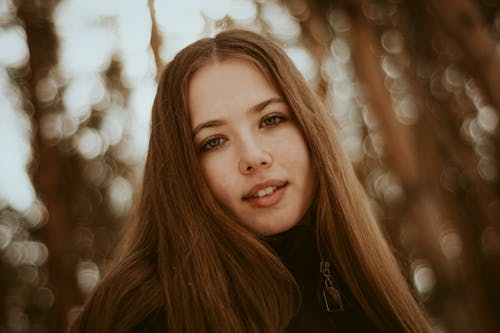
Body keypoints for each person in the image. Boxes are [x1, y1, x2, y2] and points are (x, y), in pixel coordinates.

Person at [69, 29, 431, 332]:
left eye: (271, 120)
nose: (253, 157)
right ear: (181, 171)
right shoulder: (142, 313)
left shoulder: (361, 277)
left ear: (310, 129)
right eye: (213, 141)